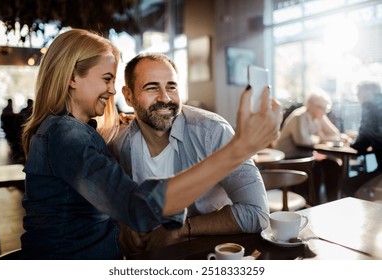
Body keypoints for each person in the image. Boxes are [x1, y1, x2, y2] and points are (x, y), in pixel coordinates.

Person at [20, 29, 282, 260]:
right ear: (72, 78)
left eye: (172, 86)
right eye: (107, 79)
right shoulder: (68, 135)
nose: (112, 91)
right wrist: (237, 150)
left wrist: (124, 229)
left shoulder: (84, 133)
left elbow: (101, 204)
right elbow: (136, 208)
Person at [109, 53, 270, 255]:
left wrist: (180, 230)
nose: (165, 98)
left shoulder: (212, 132)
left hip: (211, 255)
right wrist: (124, 226)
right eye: (151, 87)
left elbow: (257, 214)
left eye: (171, 87)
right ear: (128, 96)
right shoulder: (120, 146)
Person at [273, 88, 345, 202]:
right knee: (317, 167)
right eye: (321, 107)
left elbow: (335, 133)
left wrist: (320, 136)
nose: (324, 111)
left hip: (304, 155)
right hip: (289, 158)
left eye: (325, 108)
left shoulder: (318, 116)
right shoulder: (299, 116)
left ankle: (333, 200)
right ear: (311, 105)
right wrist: (320, 137)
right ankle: (314, 202)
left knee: (333, 164)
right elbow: (302, 141)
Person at [350, 81, 382, 172]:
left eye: (358, 93)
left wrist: (351, 144)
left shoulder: (369, 105)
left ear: (367, 92)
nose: (358, 97)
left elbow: (363, 140)